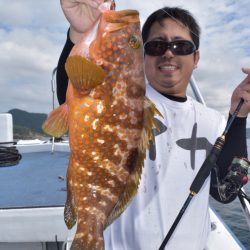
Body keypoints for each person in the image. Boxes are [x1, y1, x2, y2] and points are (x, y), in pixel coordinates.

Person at [56, 1, 250, 249]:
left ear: (196, 57)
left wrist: (239, 116)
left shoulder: (213, 121)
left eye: (181, 46)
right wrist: (79, 34)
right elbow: (75, 97)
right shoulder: (120, 98)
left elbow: (225, 191)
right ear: (144, 55)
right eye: (157, 45)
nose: (168, 53)